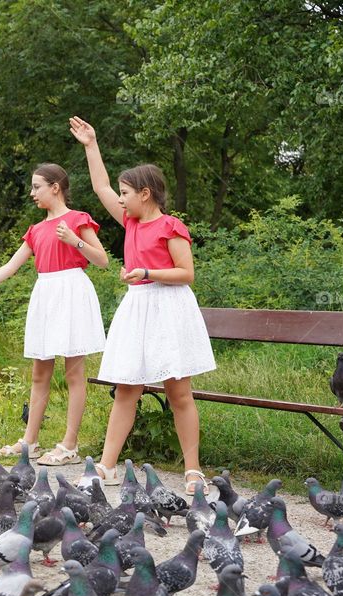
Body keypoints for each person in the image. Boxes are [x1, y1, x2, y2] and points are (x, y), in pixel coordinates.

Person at [69, 115, 216, 494]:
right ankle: (107, 466)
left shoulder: (170, 227)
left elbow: (186, 273)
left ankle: (194, 469)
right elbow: (100, 185)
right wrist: (91, 145)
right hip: (138, 308)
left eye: (126, 193)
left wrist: (147, 272)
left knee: (179, 391)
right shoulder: (131, 223)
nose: (120, 199)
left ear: (145, 194)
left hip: (168, 308)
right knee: (126, 389)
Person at [0, 163, 109, 465]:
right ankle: (30, 441)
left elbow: (102, 260)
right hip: (46, 295)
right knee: (40, 373)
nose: (32, 193)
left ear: (55, 187)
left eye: (37, 186)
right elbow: (10, 267)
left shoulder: (78, 220)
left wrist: (74, 240)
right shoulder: (36, 230)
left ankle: (69, 444)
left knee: (74, 372)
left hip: (72, 292)